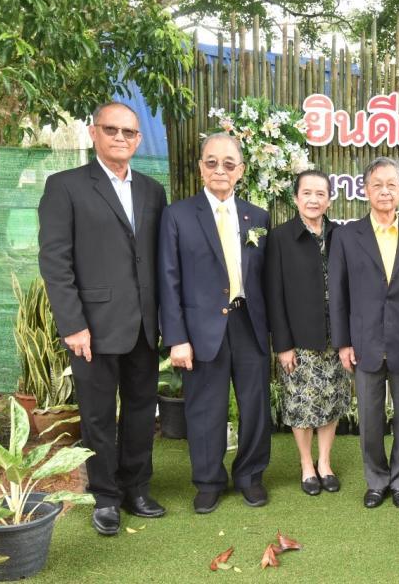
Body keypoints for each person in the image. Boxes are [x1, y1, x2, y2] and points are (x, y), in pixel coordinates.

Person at [38, 102, 167, 536]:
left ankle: (136, 489)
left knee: (141, 411)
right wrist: (73, 325)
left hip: (144, 326)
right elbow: (55, 262)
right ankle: (105, 497)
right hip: (91, 328)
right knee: (96, 416)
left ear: (138, 139)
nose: (120, 138)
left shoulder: (153, 191)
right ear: (94, 133)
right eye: (112, 129)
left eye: (129, 132)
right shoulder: (65, 186)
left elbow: (155, 259)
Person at [158, 132, 271, 514]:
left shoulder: (257, 217)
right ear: (201, 168)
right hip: (200, 330)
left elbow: (266, 278)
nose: (220, 169)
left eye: (228, 163)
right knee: (205, 409)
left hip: (249, 324)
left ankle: (250, 476)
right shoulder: (178, 215)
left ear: (240, 170)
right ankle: (208, 481)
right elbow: (168, 279)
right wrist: (177, 338)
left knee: (255, 406)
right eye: (212, 162)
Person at [328, 156, 399, 509]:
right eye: (377, 184)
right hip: (365, 343)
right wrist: (343, 343)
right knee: (370, 418)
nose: (385, 191)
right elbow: (338, 295)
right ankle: (376, 480)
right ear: (365, 190)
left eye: (392, 184)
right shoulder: (347, 236)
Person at [265, 169, 350, 496]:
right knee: (301, 405)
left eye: (320, 194)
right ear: (296, 197)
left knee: (331, 401)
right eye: (307, 193)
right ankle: (306, 465)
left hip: (336, 337)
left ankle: (325, 462)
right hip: (299, 340)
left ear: (329, 199)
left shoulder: (340, 235)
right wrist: (283, 345)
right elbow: (274, 294)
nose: (314, 200)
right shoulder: (280, 237)